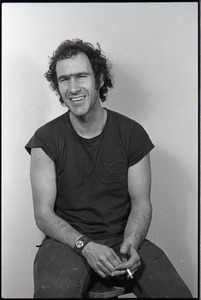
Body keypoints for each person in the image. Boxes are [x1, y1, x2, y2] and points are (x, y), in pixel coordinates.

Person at [25, 39, 192, 298]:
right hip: (67, 243)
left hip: (122, 238)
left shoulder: (132, 133)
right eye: (64, 79)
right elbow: (43, 215)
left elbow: (141, 204)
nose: (73, 88)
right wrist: (86, 245)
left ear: (99, 79)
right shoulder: (45, 139)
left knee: (176, 294)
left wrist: (132, 243)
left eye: (81, 76)